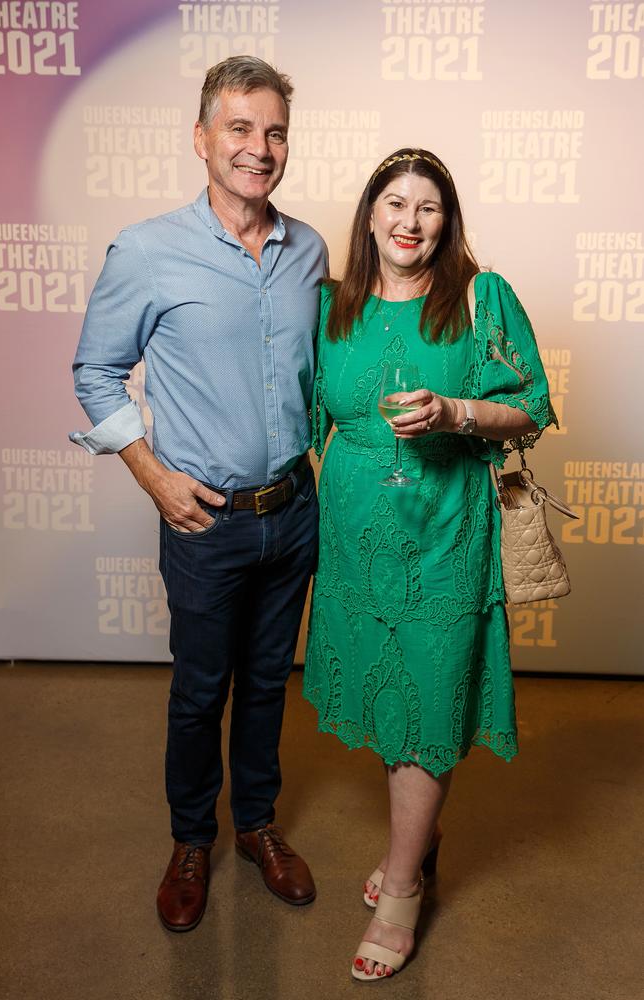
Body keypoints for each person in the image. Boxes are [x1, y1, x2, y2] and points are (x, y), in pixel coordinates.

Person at [70, 57, 328, 931]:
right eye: (241, 129)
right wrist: (150, 474)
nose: (260, 149)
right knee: (199, 690)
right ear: (202, 139)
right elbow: (97, 371)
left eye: (275, 132)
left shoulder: (312, 251)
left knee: (266, 684)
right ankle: (192, 839)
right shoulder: (146, 250)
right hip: (204, 519)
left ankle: (255, 826)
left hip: (293, 512)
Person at [303, 147, 555, 980]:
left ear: (447, 222)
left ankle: (405, 884)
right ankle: (421, 832)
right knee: (391, 695)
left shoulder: (481, 297)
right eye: (396, 204)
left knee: (430, 698)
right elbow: (311, 417)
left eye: (429, 208)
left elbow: (531, 408)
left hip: (445, 532)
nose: (410, 223)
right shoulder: (331, 306)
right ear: (370, 213)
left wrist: (454, 410)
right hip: (354, 538)